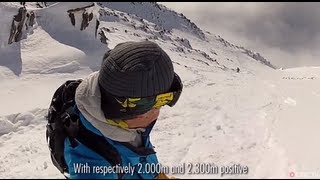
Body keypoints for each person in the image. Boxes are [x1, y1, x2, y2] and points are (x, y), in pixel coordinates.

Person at [46, 41, 183, 179]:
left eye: (164, 101)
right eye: (154, 105)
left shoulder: (130, 123)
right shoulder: (91, 167)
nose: (158, 111)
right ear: (122, 110)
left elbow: (137, 155)